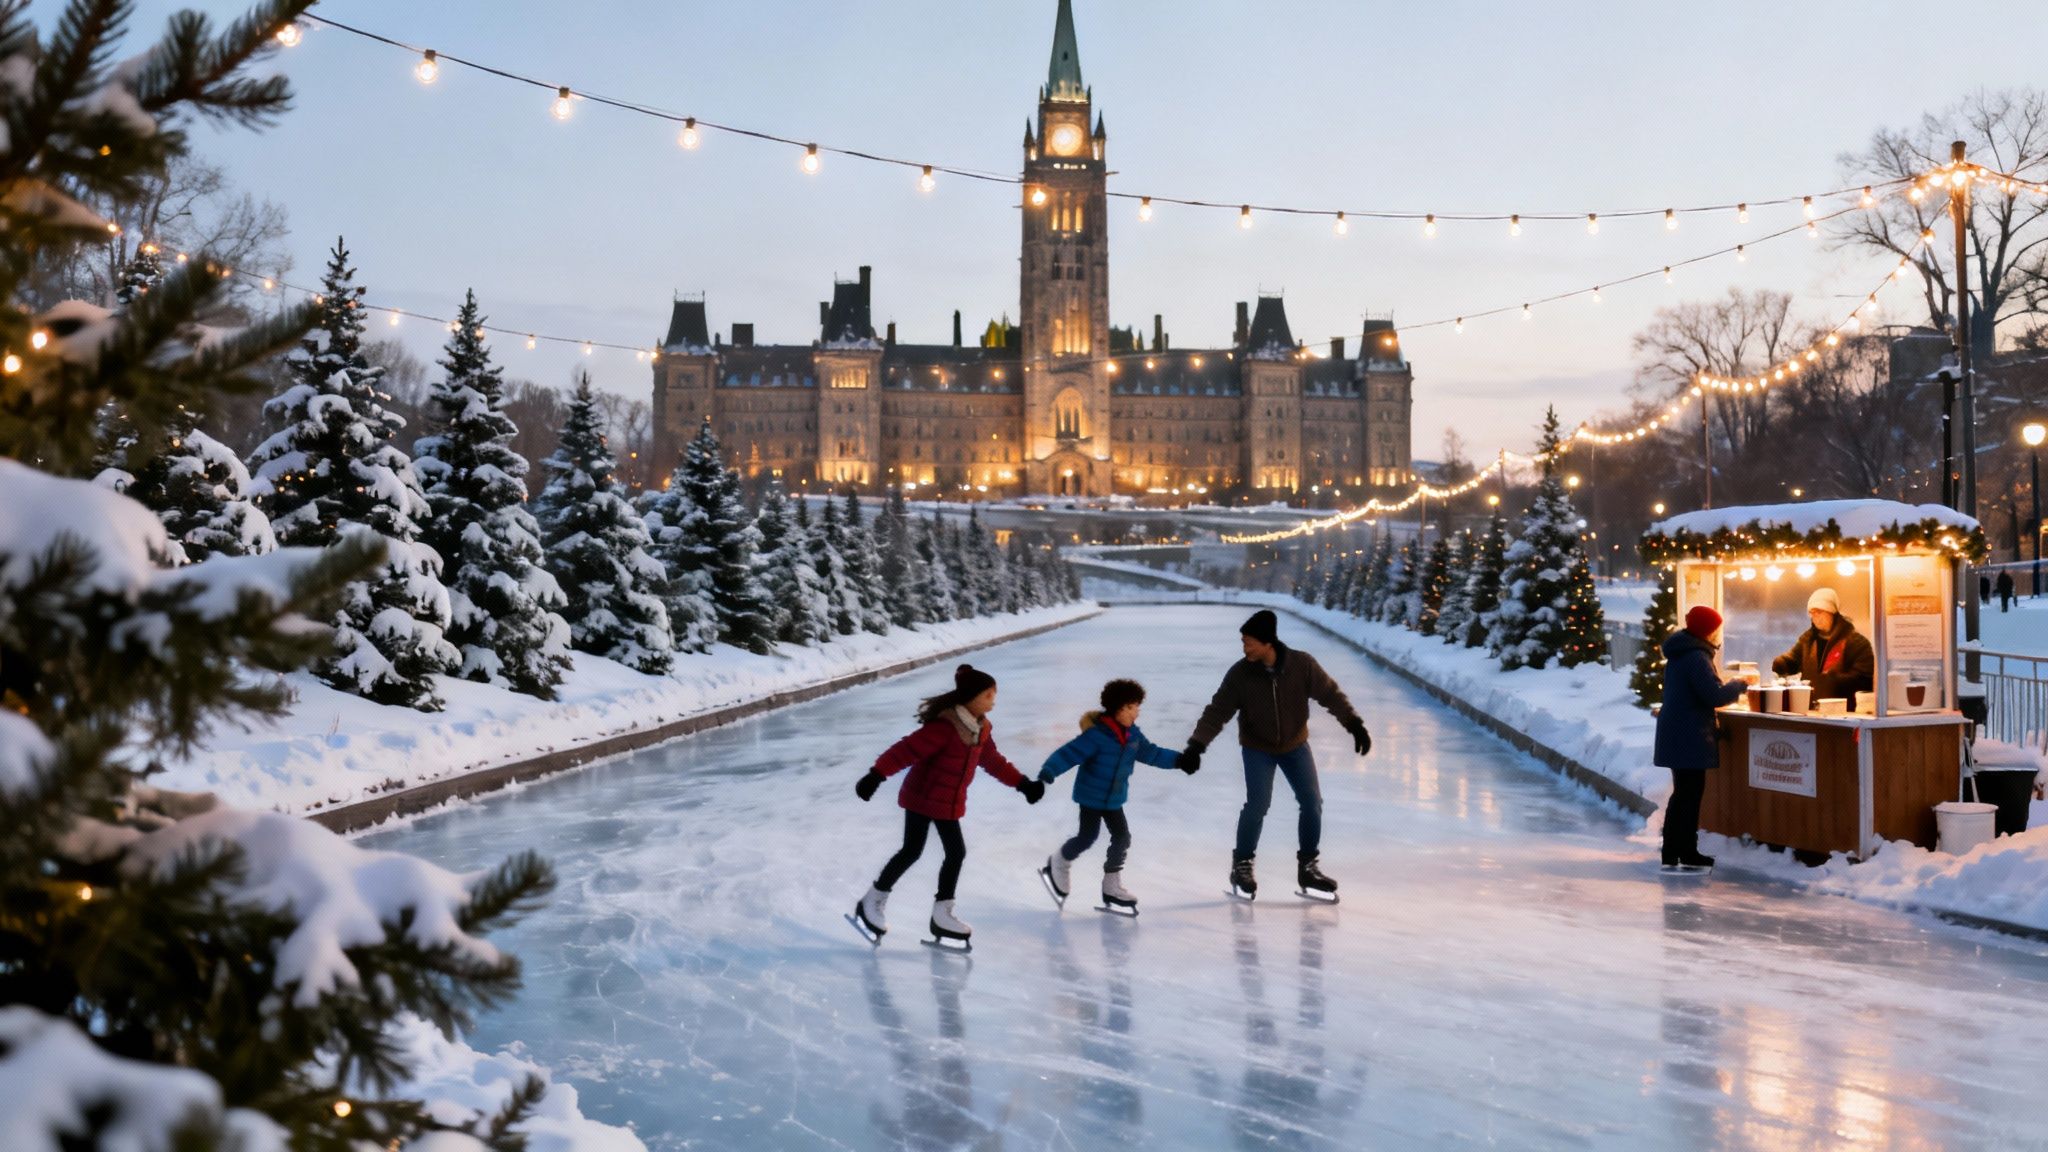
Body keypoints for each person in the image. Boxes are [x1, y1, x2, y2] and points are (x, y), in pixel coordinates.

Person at [1182, 609, 1370, 901]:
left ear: (1267, 642)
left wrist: (1354, 725)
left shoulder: (1302, 665)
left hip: (1295, 746)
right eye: (1243, 642)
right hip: (1258, 748)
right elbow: (1217, 711)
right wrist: (1196, 746)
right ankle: (1242, 865)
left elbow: (1330, 695)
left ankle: (1308, 867)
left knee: (1312, 803)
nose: (1244, 649)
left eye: (1249, 643)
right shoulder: (1240, 674)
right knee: (1258, 804)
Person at [851, 664, 1044, 949]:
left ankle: (942, 914)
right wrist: (876, 775)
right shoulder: (945, 728)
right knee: (912, 851)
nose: (993, 700)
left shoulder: (981, 729)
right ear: (972, 697)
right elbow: (906, 750)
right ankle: (873, 900)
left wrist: (1023, 784)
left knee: (955, 853)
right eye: (989, 695)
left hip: (948, 802)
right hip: (922, 796)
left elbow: (993, 761)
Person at [1035, 678, 1193, 915]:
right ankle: (1059, 861)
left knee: (1122, 837)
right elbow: (1068, 754)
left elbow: (1152, 754)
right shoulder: (1096, 736)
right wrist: (1048, 772)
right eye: (1131, 707)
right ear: (1117, 709)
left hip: (1114, 799)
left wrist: (1180, 760)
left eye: (1137, 706)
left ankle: (1111, 885)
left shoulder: (1133, 736)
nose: (1136, 712)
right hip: (1091, 796)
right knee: (1087, 836)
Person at [1654, 605, 1748, 873]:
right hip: (1688, 734)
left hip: (1679, 732)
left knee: (1682, 794)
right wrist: (1739, 684)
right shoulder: (1696, 657)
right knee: (1689, 795)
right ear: (1708, 630)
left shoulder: (1682, 652)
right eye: (1716, 628)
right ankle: (1685, 851)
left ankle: (1673, 850)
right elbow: (1714, 696)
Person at [1770, 587, 1875, 704]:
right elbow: (1794, 659)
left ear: (1832, 612)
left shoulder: (1856, 642)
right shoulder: (1808, 639)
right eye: (1812, 613)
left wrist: (1834, 681)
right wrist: (1783, 663)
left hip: (1844, 709)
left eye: (1819, 612)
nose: (1815, 617)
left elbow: (1864, 678)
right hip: (1811, 707)